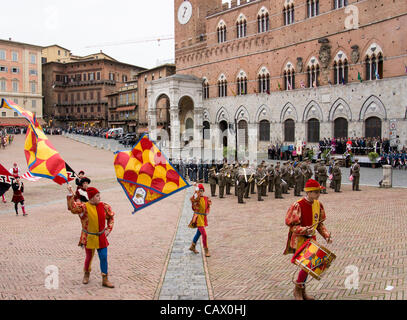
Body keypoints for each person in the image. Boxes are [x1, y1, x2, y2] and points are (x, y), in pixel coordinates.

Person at [284, 179, 332, 300]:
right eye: (316, 192)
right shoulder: (298, 205)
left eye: (319, 192)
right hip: (300, 240)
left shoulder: (318, 204)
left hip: (312, 239)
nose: (318, 194)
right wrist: (304, 230)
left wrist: (326, 235)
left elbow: (319, 224)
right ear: (309, 192)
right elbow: (292, 226)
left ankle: (302, 291)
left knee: (309, 267)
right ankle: (298, 291)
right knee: (306, 266)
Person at [67, 185, 115, 288]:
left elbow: (111, 218)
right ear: (91, 197)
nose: (99, 198)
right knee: (89, 257)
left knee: (103, 257)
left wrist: (108, 229)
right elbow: (72, 208)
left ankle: (105, 279)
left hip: (101, 237)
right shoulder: (84, 207)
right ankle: (86, 274)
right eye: (97, 196)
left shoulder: (104, 206)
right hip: (88, 237)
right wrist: (71, 194)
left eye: (99, 195)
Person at [189, 184, 212, 257]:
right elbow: (193, 200)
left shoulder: (205, 198)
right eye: (200, 191)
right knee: (204, 234)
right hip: (198, 218)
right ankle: (206, 249)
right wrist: (196, 189)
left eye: (202, 191)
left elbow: (207, 206)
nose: (201, 192)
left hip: (203, 218)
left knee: (198, 233)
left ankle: (192, 246)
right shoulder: (196, 197)